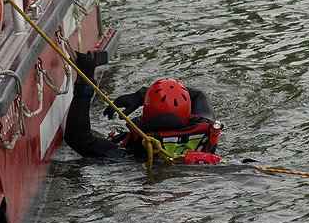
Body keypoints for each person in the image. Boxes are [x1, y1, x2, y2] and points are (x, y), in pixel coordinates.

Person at [63, 52, 223, 161]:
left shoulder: (135, 153)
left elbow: (78, 139)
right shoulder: (204, 128)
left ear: (147, 112)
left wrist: (85, 81)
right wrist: (144, 95)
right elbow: (199, 95)